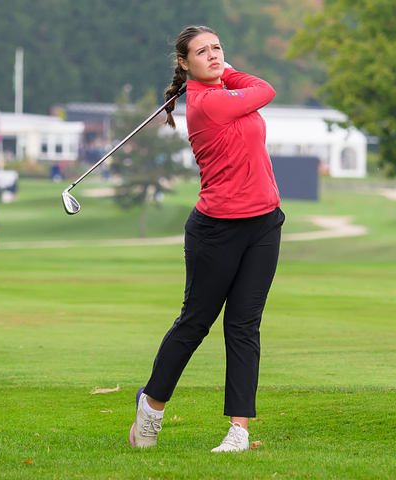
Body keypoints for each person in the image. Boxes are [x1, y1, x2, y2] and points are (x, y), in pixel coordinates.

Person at [129, 25, 285, 453]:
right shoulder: (208, 103)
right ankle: (152, 407)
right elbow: (265, 89)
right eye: (202, 52)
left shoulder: (219, 92)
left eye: (217, 48)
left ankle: (239, 431)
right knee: (196, 323)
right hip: (217, 229)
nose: (214, 55)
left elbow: (252, 90)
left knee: (243, 326)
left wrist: (220, 70)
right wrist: (227, 73)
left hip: (263, 222)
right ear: (184, 63)